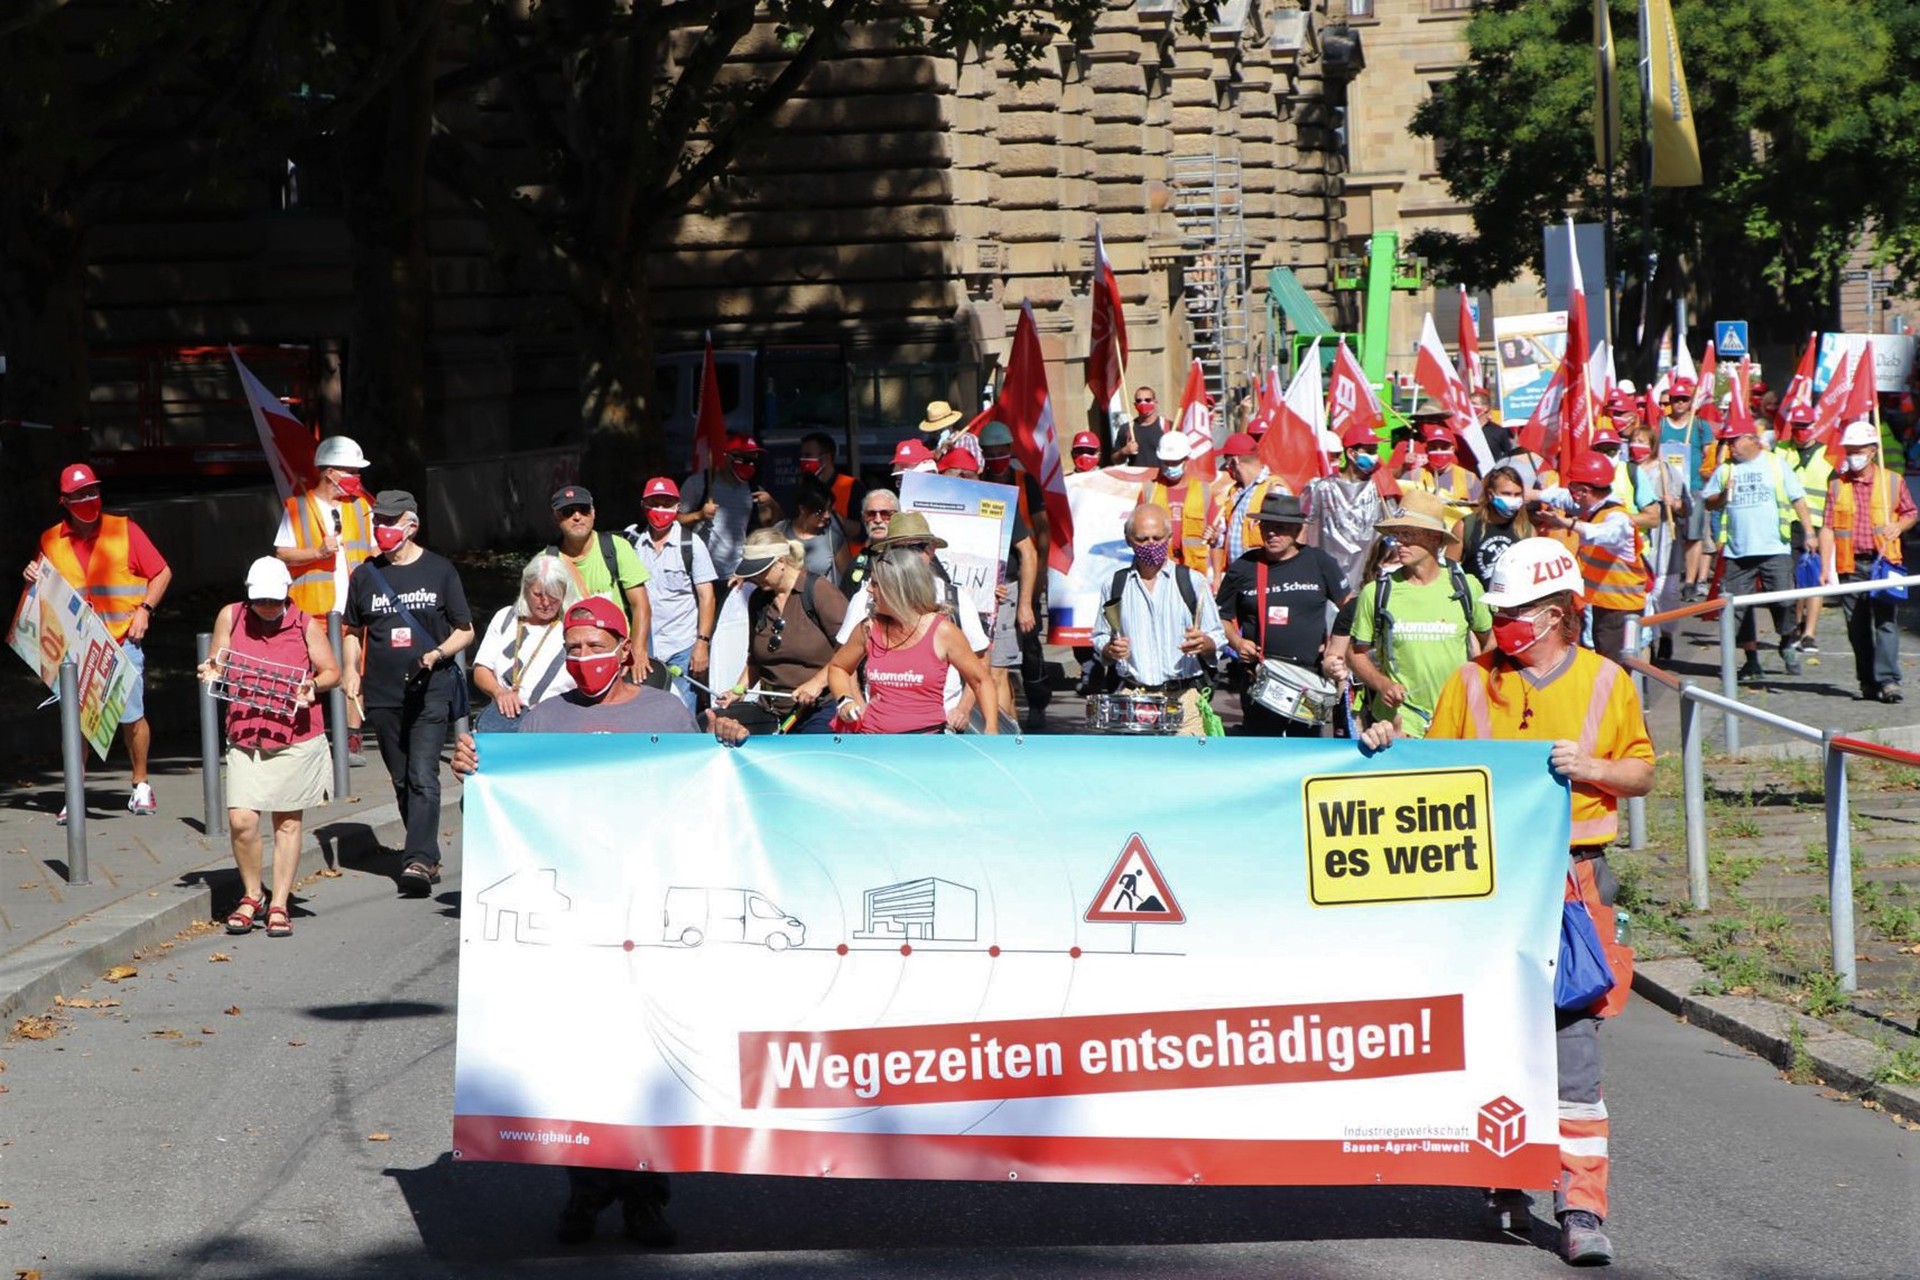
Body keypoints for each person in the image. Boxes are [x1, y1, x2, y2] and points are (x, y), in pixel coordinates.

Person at [1359, 536, 1654, 1267]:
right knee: (1489, 1038)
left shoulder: (1606, 682)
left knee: (1574, 1052)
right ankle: (1503, 1183)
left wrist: (1593, 767)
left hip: (1574, 887)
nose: (1503, 624)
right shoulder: (1471, 681)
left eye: (1515, 611)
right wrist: (1388, 739)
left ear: (1555, 614)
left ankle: (1581, 1208)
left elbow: (1642, 772)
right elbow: (1431, 765)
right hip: (1486, 887)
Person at [449, 596, 745, 1249]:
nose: (585, 661)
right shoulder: (544, 719)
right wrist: (475, 775)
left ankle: (645, 1198)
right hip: (574, 920)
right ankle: (585, 1187)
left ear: (624, 645)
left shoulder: (666, 712)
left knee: (647, 1062)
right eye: (574, 649)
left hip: (650, 914)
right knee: (581, 1061)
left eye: (595, 646)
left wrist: (727, 743)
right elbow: (506, 814)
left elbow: (707, 798)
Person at [197, 558, 340, 938]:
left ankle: (278, 903)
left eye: (274, 601)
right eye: (260, 600)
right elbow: (219, 659)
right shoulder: (231, 616)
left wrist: (313, 686)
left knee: (287, 822)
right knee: (242, 820)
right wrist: (212, 669)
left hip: (293, 735)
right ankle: (251, 894)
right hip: (247, 733)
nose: (267, 608)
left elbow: (331, 671)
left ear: (287, 594)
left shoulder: (304, 623)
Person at [342, 490, 474, 895]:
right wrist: (351, 670)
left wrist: (437, 653)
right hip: (382, 693)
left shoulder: (439, 571)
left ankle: (418, 858)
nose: (380, 528)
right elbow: (352, 630)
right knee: (401, 779)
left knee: (422, 774)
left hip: (429, 689)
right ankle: (425, 854)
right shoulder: (365, 575)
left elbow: (465, 629)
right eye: (376, 520)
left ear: (410, 525)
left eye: (388, 521)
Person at [24, 462, 172, 819]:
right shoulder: (50, 540)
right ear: (64, 501)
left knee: (131, 716)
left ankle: (140, 785)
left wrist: (145, 611)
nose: (89, 498)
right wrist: (31, 576)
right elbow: (44, 589)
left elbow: (161, 572)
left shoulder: (125, 530)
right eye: (79, 495)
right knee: (78, 721)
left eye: (92, 491)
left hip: (121, 639)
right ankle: (74, 794)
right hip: (76, 646)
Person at [1347, 490, 1491, 738]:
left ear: (1435, 538)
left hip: (1456, 719)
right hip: (1400, 725)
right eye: (1397, 534)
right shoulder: (1377, 592)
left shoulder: (1466, 587)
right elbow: (1354, 653)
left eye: (1409, 534)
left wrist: (1478, 690)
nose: (1399, 542)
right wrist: (1383, 684)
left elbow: (1490, 644)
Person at [836, 512, 992, 730]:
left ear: (930, 549)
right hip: (877, 731)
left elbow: (981, 664)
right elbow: (843, 662)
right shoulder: (867, 598)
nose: (909, 555)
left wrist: (963, 710)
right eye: (900, 549)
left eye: (916, 547)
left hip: (941, 730)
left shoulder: (955, 598)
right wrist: (854, 704)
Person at [274, 435, 374, 761]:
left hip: (353, 607)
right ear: (331, 473)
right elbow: (282, 553)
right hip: (312, 608)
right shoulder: (298, 508)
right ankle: (309, 734)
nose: (356, 478)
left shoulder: (361, 507)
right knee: (311, 675)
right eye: (350, 471)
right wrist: (317, 552)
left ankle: (352, 737)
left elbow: (373, 549)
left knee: (352, 669)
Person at [1216, 493, 1349, 737]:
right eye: (1266, 527)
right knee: (1263, 751)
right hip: (1260, 675)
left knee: (1306, 750)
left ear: (1297, 529)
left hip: (1310, 677)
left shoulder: (1319, 562)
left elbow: (1350, 608)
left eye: (1280, 528)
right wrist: (1237, 642)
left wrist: (1335, 651)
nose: (1271, 534)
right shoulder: (1245, 567)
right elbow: (1220, 617)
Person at [1089, 504, 1227, 737]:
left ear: (1170, 537)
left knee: (1187, 769)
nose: (1151, 545)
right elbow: (1101, 637)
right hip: (1133, 701)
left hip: (1184, 701)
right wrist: (1109, 650)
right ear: (1128, 540)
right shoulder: (1114, 585)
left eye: (1157, 538)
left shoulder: (1192, 582)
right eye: (1142, 539)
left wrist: (1204, 643)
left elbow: (1217, 637)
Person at [1702, 416, 1812, 682]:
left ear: (1750, 439)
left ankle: (1787, 640)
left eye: (1733, 441)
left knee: (1784, 601)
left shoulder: (1775, 464)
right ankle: (1751, 661)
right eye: (1726, 442)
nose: (1730, 447)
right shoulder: (1726, 469)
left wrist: (1809, 532)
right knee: (1738, 609)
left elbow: (1798, 498)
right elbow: (1709, 503)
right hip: (1737, 552)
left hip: (1774, 546)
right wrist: (1722, 496)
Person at [1820, 419, 1917, 703]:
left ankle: (1888, 681)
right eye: (1849, 450)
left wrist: (1899, 526)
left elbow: (1911, 513)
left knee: (1886, 623)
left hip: (1884, 563)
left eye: (1857, 450)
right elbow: (1827, 527)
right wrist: (1826, 567)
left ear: (1873, 450)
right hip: (1851, 567)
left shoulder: (1892, 481)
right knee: (1857, 628)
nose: (1852, 455)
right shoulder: (1836, 484)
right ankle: (1867, 682)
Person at [718, 529, 847, 733]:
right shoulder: (758, 600)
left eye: (760, 570)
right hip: (770, 711)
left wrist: (816, 683)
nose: (754, 577)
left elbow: (850, 649)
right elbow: (755, 659)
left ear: (781, 562)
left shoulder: (819, 591)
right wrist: (738, 690)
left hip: (819, 710)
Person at [1532, 452, 1654, 667]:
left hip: (1619, 611)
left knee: (1613, 670)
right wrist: (1530, 494)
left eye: (1574, 489)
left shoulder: (1616, 518)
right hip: (1605, 607)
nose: (1571, 495)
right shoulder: (1595, 508)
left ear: (1584, 491)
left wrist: (1565, 523)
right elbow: (1561, 497)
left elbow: (1604, 534)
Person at [546, 483, 652, 678]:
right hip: (574, 661)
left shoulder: (617, 548)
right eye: (567, 512)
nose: (577, 517)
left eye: (583, 510)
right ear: (556, 518)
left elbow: (641, 605)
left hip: (619, 657)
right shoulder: (546, 562)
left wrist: (637, 651)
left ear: (593, 513)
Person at [630, 476, 718, 712]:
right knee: (645, 712)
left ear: (678, 507)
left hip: (683, 646)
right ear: (643, 506)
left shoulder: (692, 544)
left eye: (667, 504)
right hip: (645, 649)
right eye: (654, 503)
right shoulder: (633, 544)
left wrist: (702, 644)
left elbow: (707, 597)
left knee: (682, 713)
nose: (660, 510)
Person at [979, 422, 1046, 727]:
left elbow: (1040, 533)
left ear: (1010, 451)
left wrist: (1033, 591)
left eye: (1001, 452)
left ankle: (1037, 703)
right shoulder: (979, 485)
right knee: (995, 666)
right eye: (989, 454)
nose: (996, 459)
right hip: (995, 586)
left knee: (1030, 643)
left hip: (1024, 578)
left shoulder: (1025, 482)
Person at [471, 554, 580, 732]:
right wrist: (500, 692)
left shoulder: (573, 626)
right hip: (504, 724)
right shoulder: (506, 617)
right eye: (538, 595)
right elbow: (481, 670)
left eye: (553, 595)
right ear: (526, 589)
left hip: (556, 725)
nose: (545, 603)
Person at [678, 434, 781, 580]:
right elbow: (675, 521)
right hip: (702, 573)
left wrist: (773, 505)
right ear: (727, 457)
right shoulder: (699, 483)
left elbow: (771, 528)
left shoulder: (754, 490)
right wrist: (699, 515)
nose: (750, 465)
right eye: (745, 459)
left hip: (737, 575)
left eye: (754, 461)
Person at [1304, 421, 1392, 590]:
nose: (1375, 456)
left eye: (1376, 451)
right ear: (1351, 453)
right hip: (1329, 581)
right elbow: (1305, 529)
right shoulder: (1322, 488)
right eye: (1370, 451)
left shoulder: (1380, 486)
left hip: (1368, 579)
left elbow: (1392, 526)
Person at [1657, 377, 1713, 600]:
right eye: (1676, 399)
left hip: (1694, 488)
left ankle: (1690, 582)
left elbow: (1710, 455)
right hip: (1667, 488)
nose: (1680, 403)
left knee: (1693, 535)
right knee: (1669, 535)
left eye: (1684, 399)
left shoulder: (1699, 426)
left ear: (1690, 401)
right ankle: (1668, 577)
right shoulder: (1661, 425)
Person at [1140, 433, 1216, 574]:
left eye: (1174, 462)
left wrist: (1217, 577)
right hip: (1158, 570)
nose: (1169, 467)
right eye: (1165, 462)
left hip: (1195, 570)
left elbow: (1217, 538)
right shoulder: (1149, 490)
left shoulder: (1204, 491)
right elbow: (1136, 532)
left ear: (1186, 459)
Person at [1459, 466, 1535, 591]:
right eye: (1506, 494)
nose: (1512, 499)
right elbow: (1450, 571)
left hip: (1511, 605)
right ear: (1490, 494)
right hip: (1476, 604)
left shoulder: (1528, 531)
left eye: (1517, 494)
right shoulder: (1466, 526)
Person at [776, 477, 853, 588]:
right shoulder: (780, 531)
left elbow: (849, 579)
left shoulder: (833, 538)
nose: (827, 515)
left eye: (829, 509)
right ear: (802, 509)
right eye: (819, 511)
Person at [1216, 431, 1279, 563]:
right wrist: (1216, 538)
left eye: (1226, 461)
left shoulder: (1274, 489)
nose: (1227, 468)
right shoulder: (1235, 492)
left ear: (1234, 460)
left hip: (1263, 573)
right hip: (1238, 575)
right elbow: (1230, 536)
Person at [797, 430, 865, 544]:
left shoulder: (852, 486)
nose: (803, 460)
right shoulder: (803, 488)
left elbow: (862, 531)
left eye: (808, 455)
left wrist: (832, 515)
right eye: (802, 456)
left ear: (826, 459)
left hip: (846, 557)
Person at [841, 489, 899, 599]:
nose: (877, 520)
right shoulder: (855, 567)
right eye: (871, 514)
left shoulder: (914, 559)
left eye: (885, 514)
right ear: (864, 519)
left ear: (898, 517)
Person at [1113, 385, 1169, 464]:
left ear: (1155, 402)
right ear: (1135, 405)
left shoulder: (1168, 426)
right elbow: (1115, 460)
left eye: (1147, 400)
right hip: (1136, 475)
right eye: (1139, 401)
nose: (1143, 403)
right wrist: (1124, 451)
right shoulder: (1126, 429)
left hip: (1161, 475)